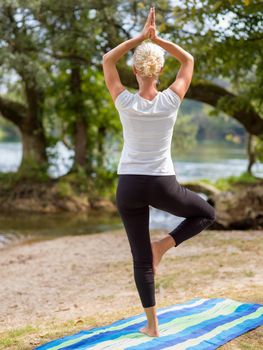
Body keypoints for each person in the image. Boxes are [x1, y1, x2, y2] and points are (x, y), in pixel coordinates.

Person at [102, 6, 216, 338]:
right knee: (206, 212)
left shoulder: (123, 101)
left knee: (140, 260)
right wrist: (159, 39)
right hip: (162, 184)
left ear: (135, 71)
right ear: (160, 70)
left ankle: (152, 326)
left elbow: (109, 60)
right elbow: (189, 61)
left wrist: (140, 38)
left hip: (129, 187)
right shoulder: (170, 101)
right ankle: (162, 247)